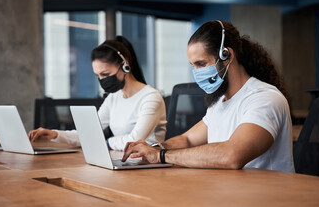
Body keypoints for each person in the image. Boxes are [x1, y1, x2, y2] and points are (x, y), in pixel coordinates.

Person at [122, 20, 294, 172]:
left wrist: (161, 155)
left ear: (226, 56)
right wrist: (153, 148)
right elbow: (188, 139)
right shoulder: (220, 102)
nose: (197, 72)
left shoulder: (265, 98)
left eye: (201, 64)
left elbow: (232, 155)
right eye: (193, 65)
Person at [28, 36, 167, 151]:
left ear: (125, 65)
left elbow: (134, 141)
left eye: (106, 74)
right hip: (121, 161)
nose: (102, 80)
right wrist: (54, 134)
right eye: (98, 75)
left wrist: (106, 142)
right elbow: (89, 132)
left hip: (147, 164)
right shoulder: (113, 98)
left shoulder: (150, 97)